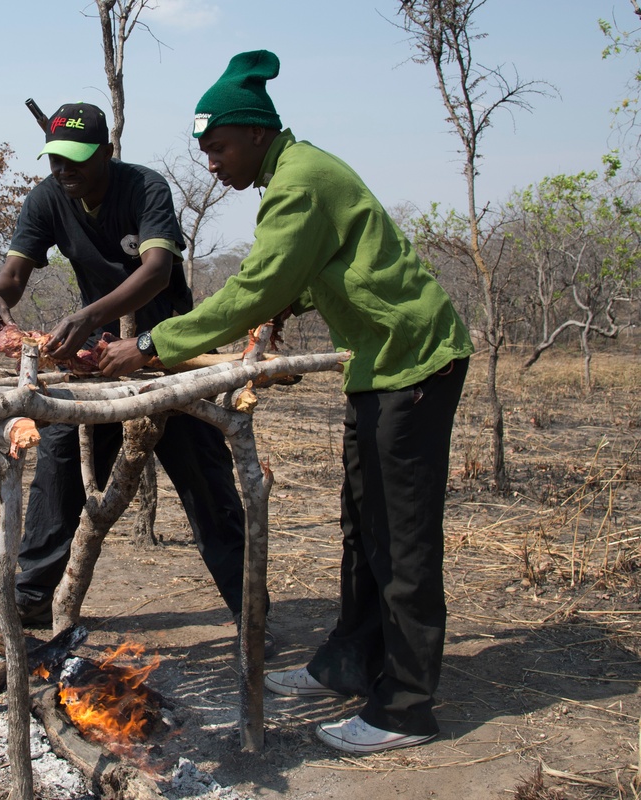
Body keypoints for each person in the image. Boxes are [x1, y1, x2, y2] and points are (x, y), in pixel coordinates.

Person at [99, 51, 474, 755]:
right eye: (203, 150)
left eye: (217, 147)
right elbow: (308, 273)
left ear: (256, 133)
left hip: (413, 363)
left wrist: (151, 345)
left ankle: (406, 707)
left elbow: (259, 283)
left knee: (403, 540)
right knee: (364, 528)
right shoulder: (294, 176)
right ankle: (348, 663)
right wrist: (278, 314)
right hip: (377, 366)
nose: (210, 163)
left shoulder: (298, 183)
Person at [0, 101, 275, 657]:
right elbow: (16, 270)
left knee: (208, 487)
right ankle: (30, 600)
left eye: (78, 160)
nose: (65, 171)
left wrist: (92, 316)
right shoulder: (48, 197)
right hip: (98, 360)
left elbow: (157, 269)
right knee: (62, 465)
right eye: (56, 160)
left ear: (107, 154)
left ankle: (252, 616)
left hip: (168, 355)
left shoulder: (144, 189)